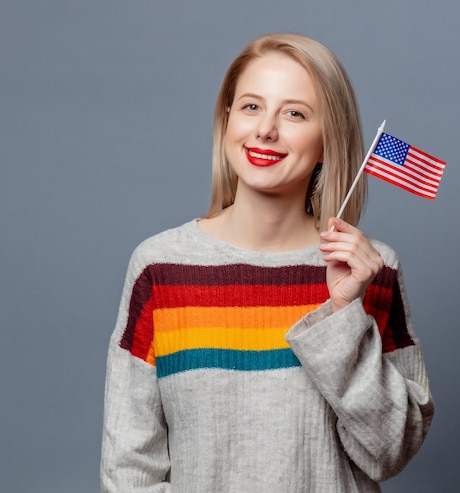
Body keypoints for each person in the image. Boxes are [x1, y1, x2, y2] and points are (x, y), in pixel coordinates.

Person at [101, 33, 434, 492]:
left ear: (327, 139)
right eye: (252, 106)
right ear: (228, 118)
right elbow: (129, 472)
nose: (266, 130)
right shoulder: (160, 268)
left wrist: (342, 315)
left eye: (295, 113)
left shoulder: (371, 271)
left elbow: (390, 451)